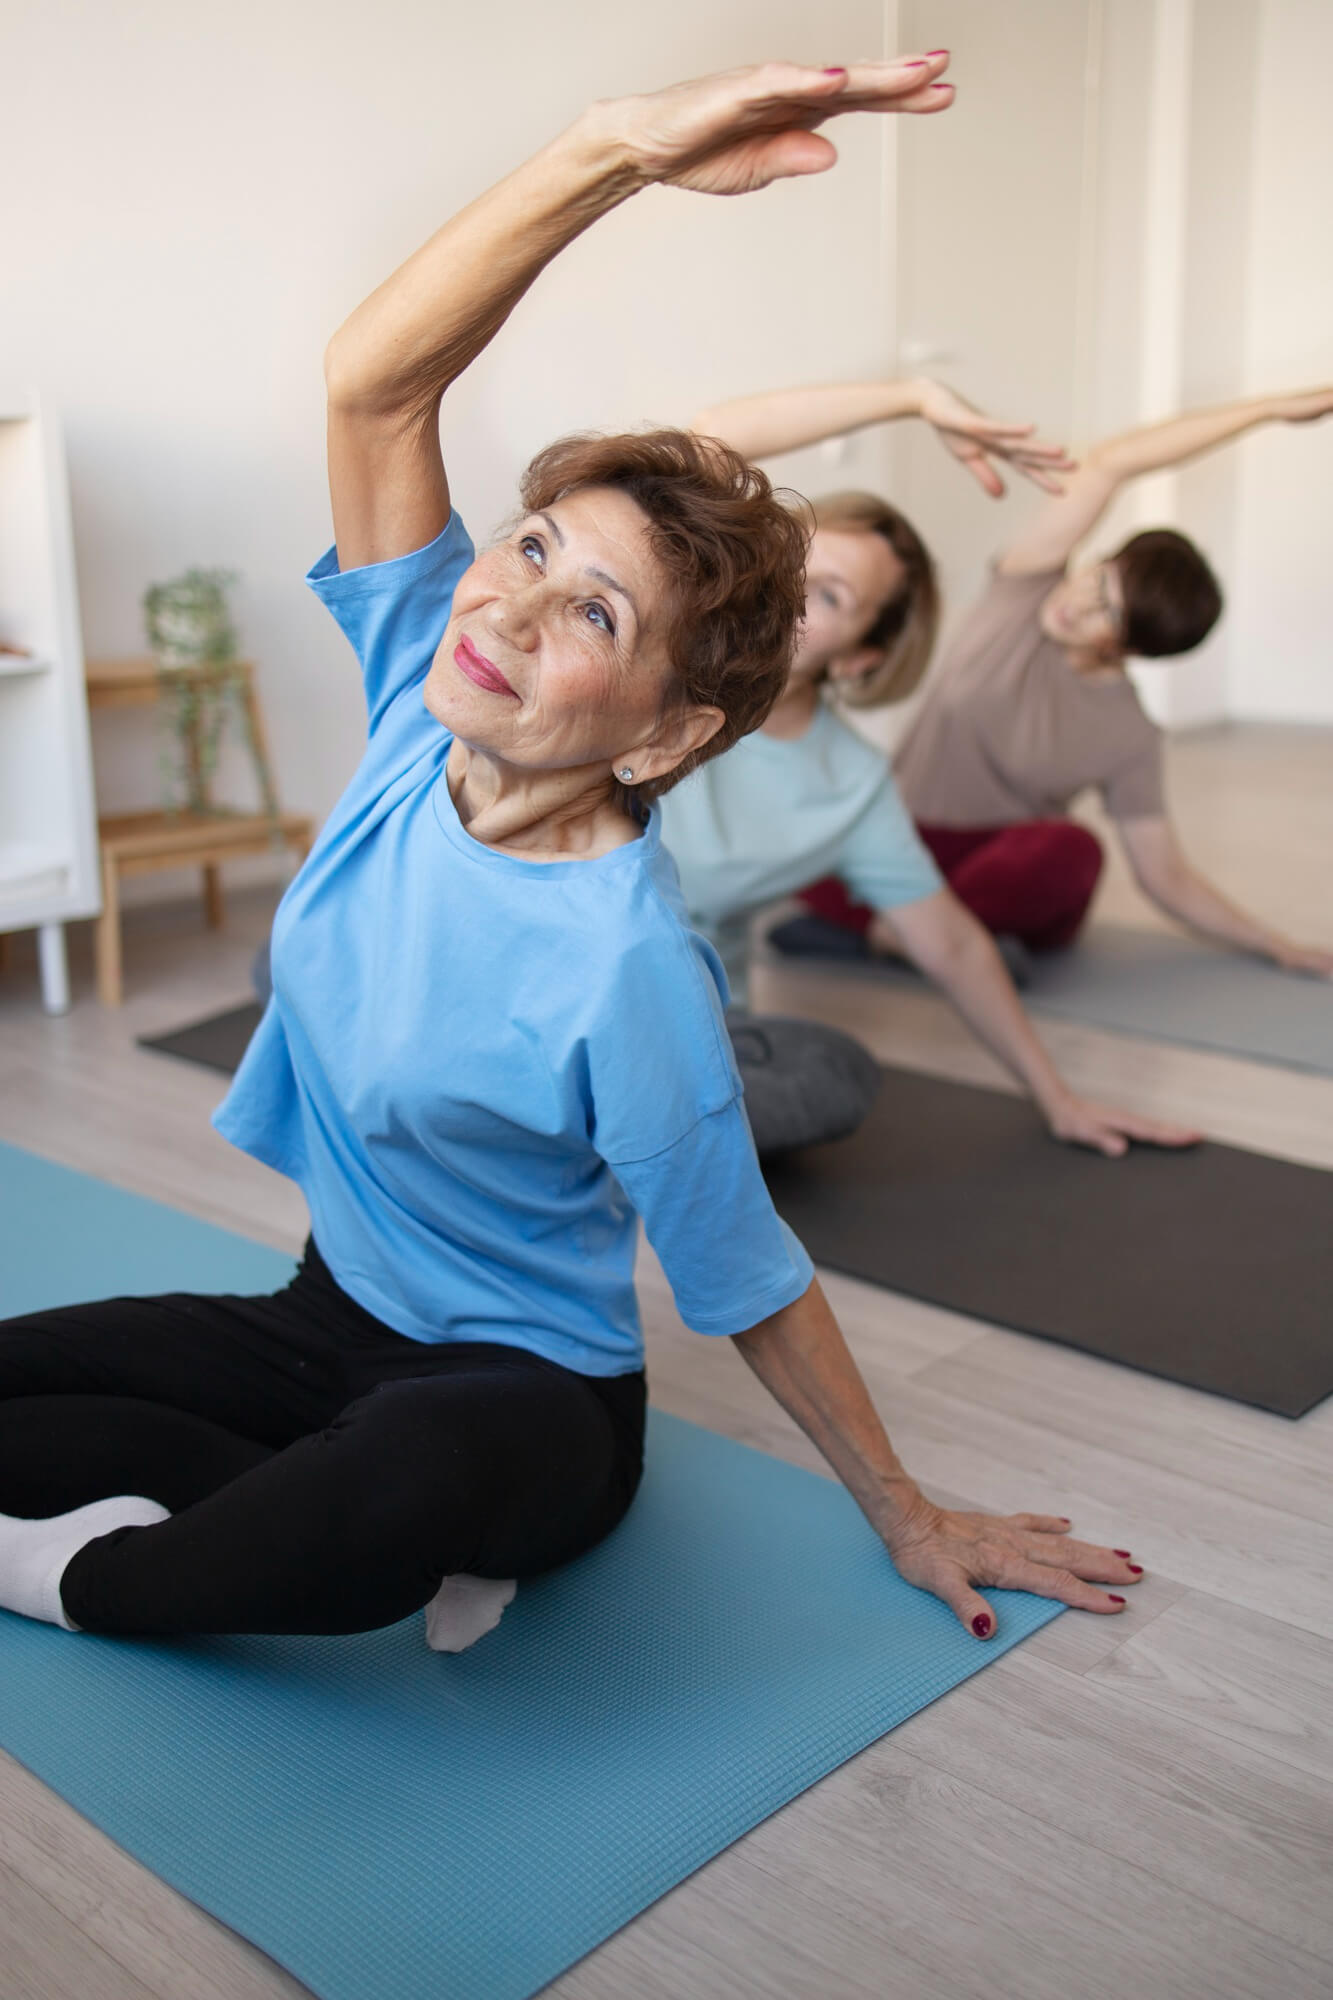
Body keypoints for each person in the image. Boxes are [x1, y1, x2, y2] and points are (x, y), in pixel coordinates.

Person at [0, 57, 1143, 1652]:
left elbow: (744, 1273)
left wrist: (911, 1513)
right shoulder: (419, 701)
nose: (513, 607)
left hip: (523, 1396)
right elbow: (375, 386)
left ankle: (91, 1579)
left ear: (666, 734)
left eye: (593, 613)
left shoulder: (626, 964)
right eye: (529, 546)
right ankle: (309, 1512)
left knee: (382, 1479)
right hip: (323, 1318)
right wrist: (612, 151)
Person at [663, 382, 1195, 1159]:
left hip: (680, 1028)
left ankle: (618, 1127)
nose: (788, 592)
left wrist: (1058, 1099)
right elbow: (709, 438)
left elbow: (951, 944)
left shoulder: (851, 783)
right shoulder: (661, 655)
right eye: (789, 561)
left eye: (829, 596)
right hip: (545, 981)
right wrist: (912, 398)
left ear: (862, 657)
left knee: (832, 1075)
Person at [778, 381, 1333, 972]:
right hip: (898, 837)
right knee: (807, 817)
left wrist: (1277, 946)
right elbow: (1109, 464)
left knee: (1072, 853)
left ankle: (904, 936)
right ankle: (934, 940)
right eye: (1098, 577)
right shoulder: (1024, 591)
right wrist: (1268, 409)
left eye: (1107, 613)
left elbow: (1163, 875)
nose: (1078, 602)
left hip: (996, 863)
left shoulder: (1131, 735)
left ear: (1131, 649)